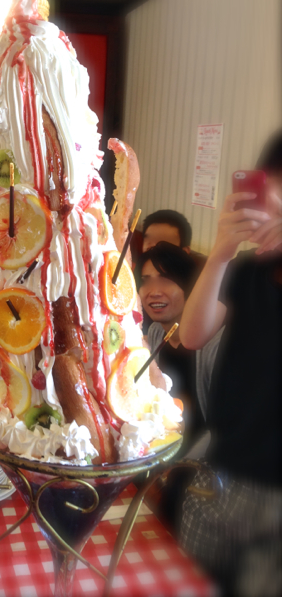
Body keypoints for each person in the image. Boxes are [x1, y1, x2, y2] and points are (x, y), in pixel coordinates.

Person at [178, 131, 282, 595]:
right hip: (220, 472)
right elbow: (192, 334)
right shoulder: (247, 271)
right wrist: (221, 251)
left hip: (276, 500)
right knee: (184, 582)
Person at [136, 242, 223, 536]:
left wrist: (172, 472)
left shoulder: (214, 345)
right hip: (159, 462)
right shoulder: (154, 333)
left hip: (204, 473)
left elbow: (220, 427)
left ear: (190, 287)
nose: (153, 291)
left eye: (165, 279)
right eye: (146, 281)